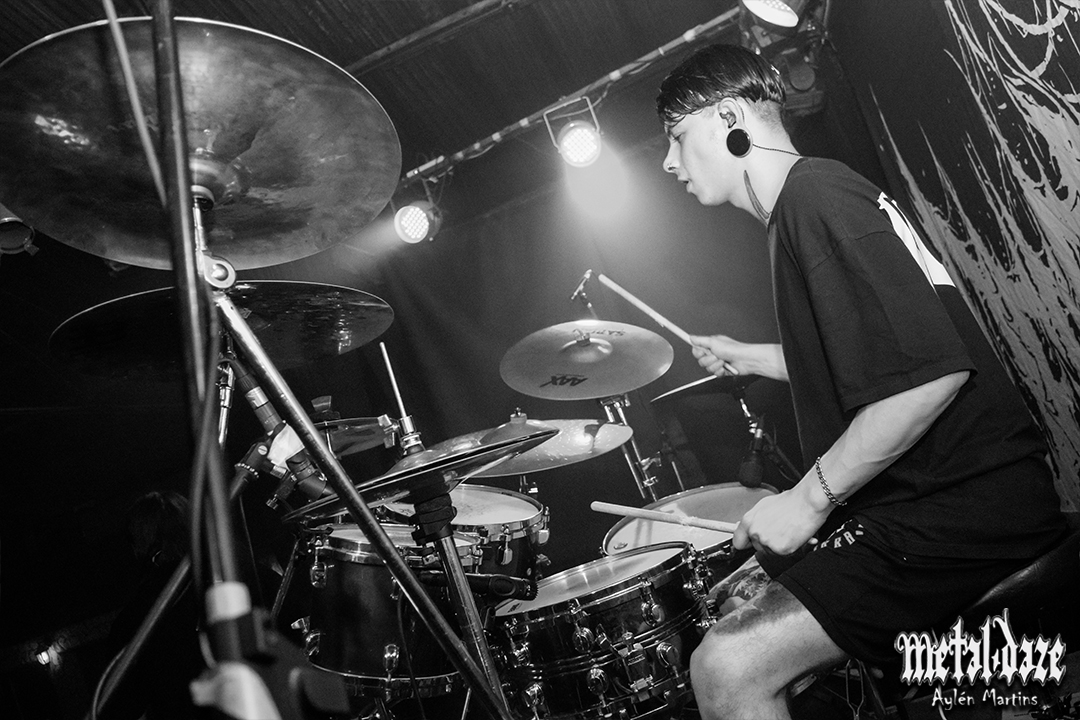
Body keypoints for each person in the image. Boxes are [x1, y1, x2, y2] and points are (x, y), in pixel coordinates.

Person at [656, 44, 1067, 720]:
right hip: (937, 506)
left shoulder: (814, 197)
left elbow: (927, 380)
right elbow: (878, 355)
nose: (669, 162)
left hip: (960, 511)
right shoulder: (812, 199)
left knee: (726, 665)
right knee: (737, 603)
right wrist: (749, 357)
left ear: (728, 117)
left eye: (676, 136)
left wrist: (807, 501)